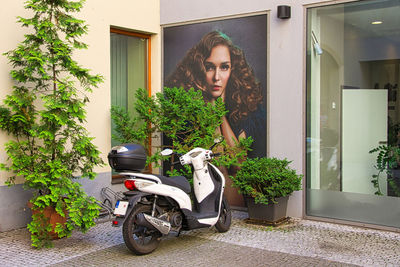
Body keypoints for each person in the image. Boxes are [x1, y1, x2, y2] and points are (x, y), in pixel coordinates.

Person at [165, 30, 266, 158]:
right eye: (209, 67)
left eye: (224, 67)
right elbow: (217, 164)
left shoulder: (249, 108)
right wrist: (211, 105)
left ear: (232, 70)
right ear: (199, 70)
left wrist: (219, 113)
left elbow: (238, 165)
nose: (216, 77)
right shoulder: (185, 112)